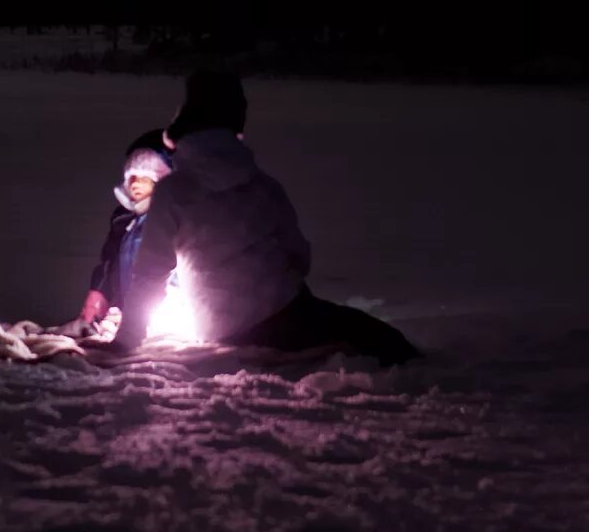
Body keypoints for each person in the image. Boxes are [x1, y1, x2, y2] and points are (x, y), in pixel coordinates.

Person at [123, 69, 418, 364]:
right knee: (381, 338)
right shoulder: (262, 184)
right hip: (283, 312)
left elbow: (149, 274)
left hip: (221, 328)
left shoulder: (173, 192)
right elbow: (300, 257)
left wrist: (127, 339)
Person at [75, 131, 171, 334]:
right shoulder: (123, 219)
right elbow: (109, 262)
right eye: (132, 177)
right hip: (127, 316)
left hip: (167, 313)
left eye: (145, 177)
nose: (135, 183)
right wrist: (99, 292)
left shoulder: (174, 217)